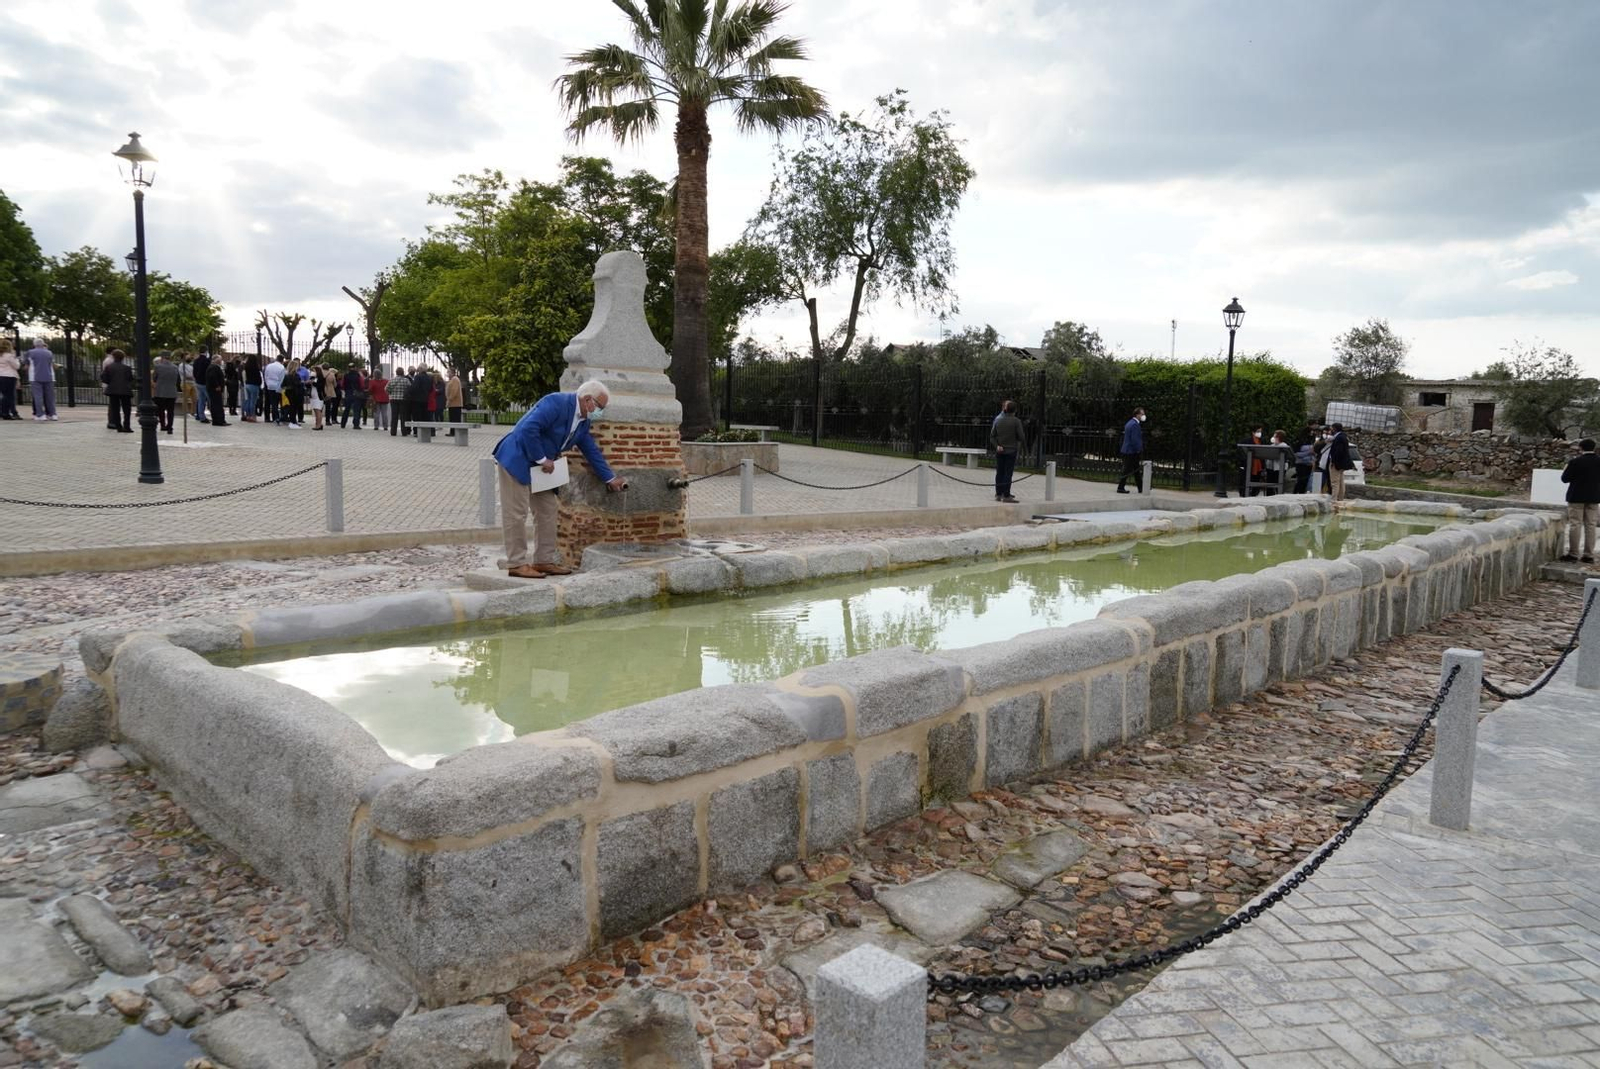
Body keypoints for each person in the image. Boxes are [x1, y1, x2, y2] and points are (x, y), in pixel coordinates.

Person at [492, 380, 626, 578]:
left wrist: (610, 478)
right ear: (588, 399)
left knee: (548, 510)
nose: (600, 412)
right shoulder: (556, 402)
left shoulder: (583, 420)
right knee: (516, 513)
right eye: (600, 407)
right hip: (517, 458)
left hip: (542, 469)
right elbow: (529, 428)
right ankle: (517, 563)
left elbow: (590, 449)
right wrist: (542, 458)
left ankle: (543, 561)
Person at [1560, 439, 1600, 564]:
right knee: (1591, 525)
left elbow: (1565, 479)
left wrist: (1566, 468)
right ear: (1594, 448)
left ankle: (1573, 553)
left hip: (1576, 496)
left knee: (1575, 524)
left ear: (1580, 448)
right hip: (1594, 497)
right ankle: (1588, 555)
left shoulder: (1575, 462)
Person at [988, 399, 1025, 503]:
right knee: (1008, 473)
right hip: (1011, 450)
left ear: (1005, 409)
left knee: (999, 472)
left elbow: (992, 436)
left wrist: (997, 445)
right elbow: (1021, 436)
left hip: (1000, 450)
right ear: (1015, 410)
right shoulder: (1016, 421)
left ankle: (998, 494)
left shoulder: (998, 420)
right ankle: (1006, 495)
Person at [22, 339, 58, 421]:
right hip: (49, 376)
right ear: (43, 344)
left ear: (34, 344)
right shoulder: (49, 352)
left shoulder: (30, 352)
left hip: (35, 376)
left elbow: (26, 366)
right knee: (50, 397)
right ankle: (53, 414)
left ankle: (40, 415)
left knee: (38, 396)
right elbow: (52, 364)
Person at [102, 349, 134, 431]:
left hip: (113, 390)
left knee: (115, 409)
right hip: (125, 390)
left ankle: (118, 426)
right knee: (127, 409)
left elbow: (104, 378)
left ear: (113, 357)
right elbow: (130, 378)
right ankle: (127, 426)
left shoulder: (109, 367)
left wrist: (111, 383)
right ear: (123, 358)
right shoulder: (127, 368)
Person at [1116, 407, 1145, 494]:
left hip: (1127, 450)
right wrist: (1139, 449)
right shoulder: (1135, 425)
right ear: (1137, 414)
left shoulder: (1129, 423)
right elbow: (1135, 439)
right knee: (1127, 470)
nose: (1143, 416)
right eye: (1142, 414)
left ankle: (1141, 487)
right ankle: (1120, 487)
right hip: (1131, 451)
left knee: (1136, 470)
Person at [152, 351, 180, 432]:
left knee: (161, 410)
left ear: (162, 357)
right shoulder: (175, 367)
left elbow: (154, 378)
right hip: (172, 392)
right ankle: (170, 426)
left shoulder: (158, 367)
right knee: (170, 411)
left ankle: (163, 425)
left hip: (160, 392)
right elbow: (178, 380)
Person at [1327, 422, 1355, 502]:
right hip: (1341, 464)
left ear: (1335, 429)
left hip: (1337, 464)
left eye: (1332, 428)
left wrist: (1334, 462)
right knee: (1341, 482)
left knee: (1335, 482)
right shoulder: (1342, 437)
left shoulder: (1339, 438)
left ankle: (1334, 499)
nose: (1331, 430)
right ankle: (1340, 498)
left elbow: (1338, 452)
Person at [205, 357, 229, 426]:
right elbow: (212, 377)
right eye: (219, 360)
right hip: (215, 389)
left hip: (213, 389)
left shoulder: (213, 367)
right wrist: (217, 386)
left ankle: (218, 420)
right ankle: (219, 420)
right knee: (217, 404)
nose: (221, 361)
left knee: (216, 404)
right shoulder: (214, 367)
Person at [262, 354, 285, 425]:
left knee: (268, 402)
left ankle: (267, 417)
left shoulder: (269, 366)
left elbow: (265, 376)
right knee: (276, 403)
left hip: (269, 385)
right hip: (277, 385)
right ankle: (276, 417)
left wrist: (267, 383)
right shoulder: (281, 367)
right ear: (282, 360)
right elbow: (282, 378)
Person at [409, 366, 434, 432]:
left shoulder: (418, 377)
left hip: (417, 400)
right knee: (425, 416)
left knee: (417, 416)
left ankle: (417, 431)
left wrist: (409, 392)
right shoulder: (429, 378)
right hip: (425, 399)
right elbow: (431, 388)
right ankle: (425, 430)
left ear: (420, 370)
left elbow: (415, 387)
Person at [388, 367, 411, 436]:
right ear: (403, 372)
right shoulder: (406, 380)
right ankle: (404, 432)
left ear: (396, 372)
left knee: (394, 416)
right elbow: (410, 388)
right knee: (403, 416)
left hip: (393, 399)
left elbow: (386, 388)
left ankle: (393, 431)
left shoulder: (392, 380)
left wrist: (390, 393)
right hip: (403, 400)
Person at [0, 339, 19, 420]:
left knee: (3, 395)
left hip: (0, 375)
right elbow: (17, 366)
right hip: (9, 376)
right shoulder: (9, 355)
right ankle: (6, 413)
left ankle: (2, 412)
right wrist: (17, 359)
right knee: (9, 396)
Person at [191, 350, 212, 423]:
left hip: (198, 382)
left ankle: (201, 416)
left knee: (201, 400)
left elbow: (194, 372)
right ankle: (214, 415)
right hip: (205, 383)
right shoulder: (207, 361)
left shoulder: (196, 361)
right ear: (206, 352)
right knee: (210, 399)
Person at [242, 353, 262, 422]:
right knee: (253, 402)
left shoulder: (246, 367)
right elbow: (258, 377)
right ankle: (252, 416)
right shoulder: (255, 367)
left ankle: (247, 415)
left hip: (248, 384)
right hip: (254, 385)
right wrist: (260, 384)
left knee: (248, 400)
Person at [445, 369, 464, 436]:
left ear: (452, 373)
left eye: (448, 372)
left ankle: (455, 432)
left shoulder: (455, 380)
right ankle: (453, 431)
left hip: (455, 403)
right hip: (453, 404)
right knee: (452, 418)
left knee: (455, 418)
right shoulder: (452, 380)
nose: (447, 374)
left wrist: (449, 399)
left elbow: (454, 391)